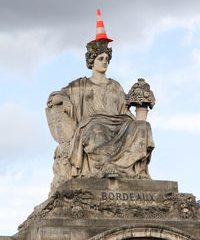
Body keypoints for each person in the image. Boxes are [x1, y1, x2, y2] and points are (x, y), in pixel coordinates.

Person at [47, 39, 154, 180]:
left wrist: (139, 116)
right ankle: (105, 167)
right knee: (97, 129)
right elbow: (53, 98)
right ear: (92, 61)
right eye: (100, 58)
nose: (105, 62)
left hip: (119, 123)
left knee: (143, 126)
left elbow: (124, 111)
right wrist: (64, 99)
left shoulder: (115, 86)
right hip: (93, 123)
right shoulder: (80, 85)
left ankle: (131, 170)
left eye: (107, 59)